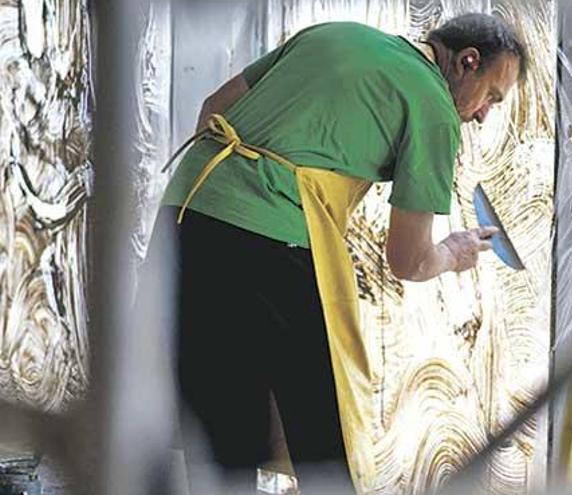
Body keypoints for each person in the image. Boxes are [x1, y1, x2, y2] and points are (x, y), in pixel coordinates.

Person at [150, 12, 529, 493]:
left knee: (224, 418)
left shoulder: (336, 33)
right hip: (270, 232)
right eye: (491, 97)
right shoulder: (434, 105)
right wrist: (453, 252)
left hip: (186, 216)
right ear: (467, 62)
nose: (482, 115)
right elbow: (408, 260)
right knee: (324, 425)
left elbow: (212, 109)